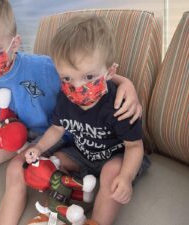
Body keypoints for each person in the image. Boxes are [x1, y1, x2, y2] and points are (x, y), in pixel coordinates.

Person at [0, 1, 143, 225]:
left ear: (15, 42)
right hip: (53, 142)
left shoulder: (45, 68)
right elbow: (4, 118)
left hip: (83, 145)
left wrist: (126, 83)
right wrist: (18, 143)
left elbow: (84, 71)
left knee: (20, 169)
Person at [25, 15, 150, 225]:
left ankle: (97, 221)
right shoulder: (65, 99)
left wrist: (126, 177)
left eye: (89, 77)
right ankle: (54, 214)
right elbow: (56, 129)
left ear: (110, 72)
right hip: (82, 154)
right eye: (67, 78)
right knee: (53, 160)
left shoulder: (119, 105)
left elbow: (135, 147)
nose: (77, 87)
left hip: (116, 157)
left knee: (112, 172)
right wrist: (38, 150)